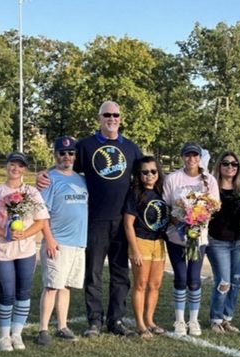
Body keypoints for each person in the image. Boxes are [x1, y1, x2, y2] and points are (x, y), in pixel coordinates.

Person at [38, 100, 142, 337]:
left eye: (116, 114)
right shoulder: (86, 145)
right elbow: (64, 165)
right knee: (93, 273)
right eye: (107, 114)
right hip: (95, 220)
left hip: (122, 221)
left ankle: (116, 320)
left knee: (120, 273)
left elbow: (148, 173)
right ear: (99, 118)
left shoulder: (130, 147)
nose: (112, 118)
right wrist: (43, 173)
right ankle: (94, 321)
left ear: (121, 118)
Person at [0, 151, 48, 351]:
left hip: (25, 250)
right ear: (7, 166)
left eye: (20, 166)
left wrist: (26, 233)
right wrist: (5, 233)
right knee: (7, 293)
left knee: (23, 291)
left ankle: (17, 334)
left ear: (25, 169)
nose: (15, 169)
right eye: (12, 164)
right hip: (2, 249)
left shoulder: (31, 192)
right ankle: (3, 336)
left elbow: (41, 221)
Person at [163, 143, 220, 337]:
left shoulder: (209, 180)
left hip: (199, 238)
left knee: (194, 280)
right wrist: (182, 219)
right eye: (187, 155)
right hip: (176, 237)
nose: (191, 159)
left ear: (199, 157)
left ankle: (193, 320)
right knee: (180, 277)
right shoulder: (173, 178)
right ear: (182, 157)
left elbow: (214, 207)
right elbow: (167, 206)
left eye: (195, 155)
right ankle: (179, 320)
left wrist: (198, 219)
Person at [36, 136, 88, 346]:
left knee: (66, 286)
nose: (66, 157)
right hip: (57, 242)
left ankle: (62, 326)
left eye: (71, 153)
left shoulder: (81, 179)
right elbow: (42, 214)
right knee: (51, 286)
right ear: (55, 155)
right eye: (62, 153)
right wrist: (49, 239)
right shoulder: (49, 179)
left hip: (78, 242)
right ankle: (43, 329)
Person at [123, 156, 168, 338]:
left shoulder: (162, 192)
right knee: (140, 284)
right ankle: (140, 323)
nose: (149, 175)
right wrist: (134, 249)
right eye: (145, 172)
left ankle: (150, 320)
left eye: (153, 171)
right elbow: (128, 223)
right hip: (141, 241)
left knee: (155, 284)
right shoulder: (135, 193)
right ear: (139, 175)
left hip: (159, 242)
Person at [206, 150, 240, 334]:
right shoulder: (211, 187)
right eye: (226, 163)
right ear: (219, 165)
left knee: (236, 281)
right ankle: (215, 319)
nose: (230, 167)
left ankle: (226, 318)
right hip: (218, 241)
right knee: (223, 281)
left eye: (234, 164)